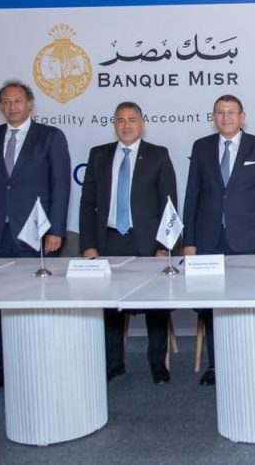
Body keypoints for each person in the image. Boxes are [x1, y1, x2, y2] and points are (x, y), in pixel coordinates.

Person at [0, 80, 71, 391]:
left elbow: (61, 186)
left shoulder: (50, 136)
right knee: (3, 305)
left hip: (36, 234)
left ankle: (42, 367)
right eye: (5, 101)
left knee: (38, 302)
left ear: (30, 104)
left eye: (17, 100)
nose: (12, 106)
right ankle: (7, 369)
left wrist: (56, 229)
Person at [183, 94, 255, 386]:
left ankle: (252, 361)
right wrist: (189, 241)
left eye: (231, 112)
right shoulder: (200, 147)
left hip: (249, 241)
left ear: (242, 116)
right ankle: (216, 365)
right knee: (213, 306)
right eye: (220, 113)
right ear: (213, 117)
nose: (226, 118)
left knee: (251, 304)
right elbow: (191, 196)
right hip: (208, 241)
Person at [80, 102, 177, 385]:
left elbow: (169, 204)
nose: (126, 125)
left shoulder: (158, 154)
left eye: (132, 119)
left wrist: (164, 246)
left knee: (156, 306)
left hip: (146, 242)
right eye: (120, 120)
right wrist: (88, 244)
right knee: (110, 306)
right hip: (108, 240)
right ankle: (114, 363)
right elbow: (87, 203)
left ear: (142, 123)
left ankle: (157, 363)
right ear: (114, 124)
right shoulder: (98, 155)